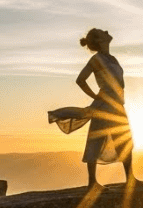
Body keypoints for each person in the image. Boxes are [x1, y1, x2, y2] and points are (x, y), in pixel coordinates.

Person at [47, 28, 135, 188]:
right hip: (105, 105)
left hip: (117, 105)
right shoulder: (97, 59)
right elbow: (80, 80)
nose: (107, 31)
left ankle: (131, 179)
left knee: (124, 141)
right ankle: (92, 182)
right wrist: (96, 97)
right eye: (103, 32)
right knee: (96, 140)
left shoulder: (112, 58)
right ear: (100, 40)